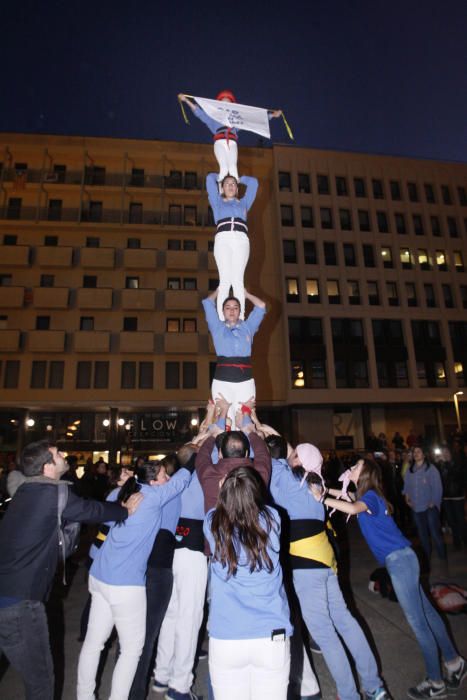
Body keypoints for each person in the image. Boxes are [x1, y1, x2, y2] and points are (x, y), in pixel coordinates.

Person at [0, 440, 142, 700]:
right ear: (47, 466)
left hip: (8, 595)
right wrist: (125, 510)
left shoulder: (26, 489)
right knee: (41, 682)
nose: (64, 454)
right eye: (57, 454)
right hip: (18, 604)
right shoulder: (50, 494)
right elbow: (91, 510)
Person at [315, 458, 466, 699]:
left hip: (400, 563)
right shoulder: (369, 496)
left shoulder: (371, 497)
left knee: (420, 625)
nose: (351, 468)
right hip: (405, 559)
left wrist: (321, 498)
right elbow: (350, 500)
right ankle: (454, 662)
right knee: (428, 614)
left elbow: (353, 508)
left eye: (356, 466)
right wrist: (325, 491)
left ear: (364, 473)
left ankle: (436, 682)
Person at [269, 440, 388, 700]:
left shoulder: (287, 482)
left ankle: (349, 695)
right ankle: (374, 686)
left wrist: (253, 426)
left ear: (299, 461)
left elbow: (278, 457)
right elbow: (292, 453)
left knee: (324, 631)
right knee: (345, 620)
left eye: (295, 457)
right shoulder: (316, 485)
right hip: (326, 559)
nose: (291, 458)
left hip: (305, 563)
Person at [77, 461, 193, 700]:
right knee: (132, 650)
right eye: (163, 476)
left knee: (93, 644)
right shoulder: (153, 496)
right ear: (153, 482)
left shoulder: (126, 493)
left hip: (99, 575)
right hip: (125, 584)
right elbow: (182, 478)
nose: (167, 480)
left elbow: (107, 517)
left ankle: (84, 696)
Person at [204, 466, 293, 700]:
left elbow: (219, 510)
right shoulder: (273, 519)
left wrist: (225, 488)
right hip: (270, 634)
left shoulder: (212, 524)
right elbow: (258, 510)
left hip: (226, 636)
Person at [152, 444, 208, 700]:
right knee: (190, 618)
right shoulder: (199, 479)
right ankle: (180, 686)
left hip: (170, 552)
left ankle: (161, 675)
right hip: (192, 554)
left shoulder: (173, 480)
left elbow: (192, 449)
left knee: (171, 616)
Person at [178, 91, 282, 183]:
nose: (226, 105)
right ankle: (221, 194)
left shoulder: (235, 121)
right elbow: (199, 112)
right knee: (223, 168)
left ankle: (234, 197)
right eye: (223, 103)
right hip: (219, 142)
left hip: (232, 142)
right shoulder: (213, 118)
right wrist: (186, 100)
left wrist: (272, 115)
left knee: (233, 169)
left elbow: (252, 120)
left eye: (228, 103)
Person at [202, 288, 265, 422]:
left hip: (245, 381)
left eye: (235, 308)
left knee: (245, 420)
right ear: (223, 311)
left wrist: (247, 295)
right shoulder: (217, 327)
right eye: (227, 308)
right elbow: (207, 302)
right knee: (225, 421)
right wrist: (219, 289)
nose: (231, 310)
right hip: (222, 381)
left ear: (240, 311)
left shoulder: (248, 327)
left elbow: (261, 306)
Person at [206, 170, 258, 319]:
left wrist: (239, 178)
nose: (230, 186)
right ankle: (223, 320)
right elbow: (210, 179)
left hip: (241, 239)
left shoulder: (244, 202)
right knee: (225, 280)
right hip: (223, 239)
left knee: (237, 281)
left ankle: (240, 318)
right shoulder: (217, 202)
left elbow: (254, 183)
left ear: (237, 188)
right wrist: (222, 176)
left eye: (233, 184)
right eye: (227, 184)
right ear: (222, 188)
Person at [403, 446, 446, 562]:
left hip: (429, 506)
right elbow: (407, 485)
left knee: (435, 533)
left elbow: (438, 487)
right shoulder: (410, 470)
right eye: (414, 452)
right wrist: (407, 497)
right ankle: (427, 558)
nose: (415, 454)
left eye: (418, 451)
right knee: (422, 535)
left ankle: (442, 558)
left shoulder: (431, 469)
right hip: (416, 507)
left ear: (424, 455)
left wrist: (434, 501)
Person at [435, 446, 467, 550]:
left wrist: (446, 464)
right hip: (446, 497)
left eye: (446, 451)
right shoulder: (441, 464)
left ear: (450, 452)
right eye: (443, 452)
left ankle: (465, 539)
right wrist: (437, 463)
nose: (445, 454)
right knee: (451, 520)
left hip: (457, 495)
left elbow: (457, 475)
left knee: (460, 519)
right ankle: (456, 541)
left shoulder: (457, 462)